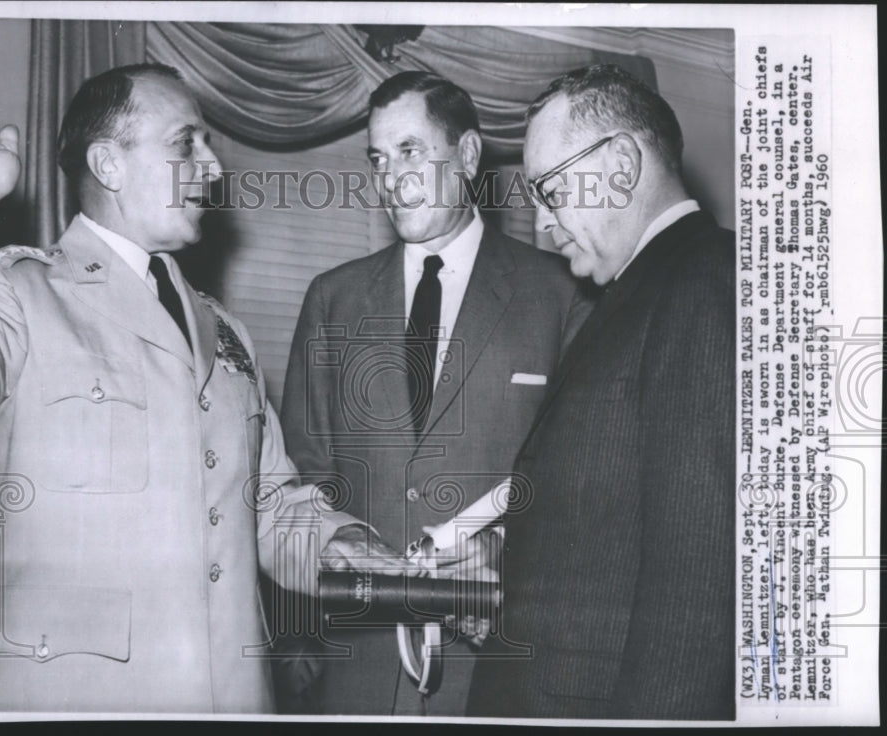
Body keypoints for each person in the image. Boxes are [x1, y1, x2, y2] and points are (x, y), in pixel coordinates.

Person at [0, 62, 399, 713]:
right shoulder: (23, 293)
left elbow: (271, 509)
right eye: (185, 143)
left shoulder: (225, 331)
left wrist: (346, 544)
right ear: (109, 164)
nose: (213, 167)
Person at [278, 71, 584, 716]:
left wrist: (504, 550)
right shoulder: (332, 298)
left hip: (497, 663)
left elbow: (583, 482)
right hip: (356, 668)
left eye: (411, 151)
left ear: (468, 156)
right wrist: (336, 541)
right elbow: (304, 468)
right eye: (378, 159)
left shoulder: (563, 295)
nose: (391, 179)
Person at [467, 64, 736, 720]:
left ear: (620, 166)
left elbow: (693, 593)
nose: (540, 223)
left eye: (550, 191)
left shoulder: (704, 283)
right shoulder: (632, 295)